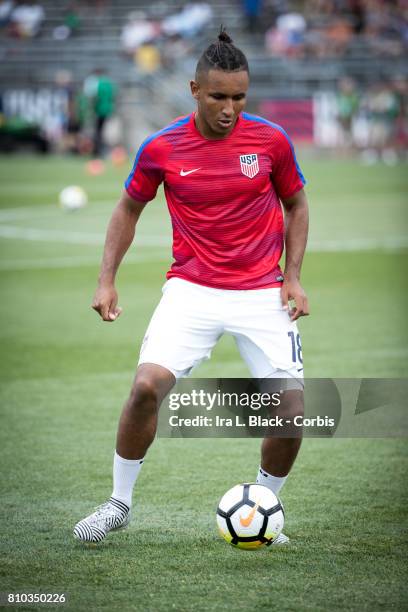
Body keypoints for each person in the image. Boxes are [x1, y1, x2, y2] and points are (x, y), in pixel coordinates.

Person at [73, 29, 310, 545]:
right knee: (143, 389)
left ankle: (266, 504)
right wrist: (106, 279)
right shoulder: (161, 147)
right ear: (195, 89)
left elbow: (296, 204)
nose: (230, 108)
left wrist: (292, 276)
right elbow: (128, 208)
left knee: (292, 408)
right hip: (192, 290)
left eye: (240, 97)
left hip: (261, 292)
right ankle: (118, 504)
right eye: (219, 96)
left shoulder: (270, 141)